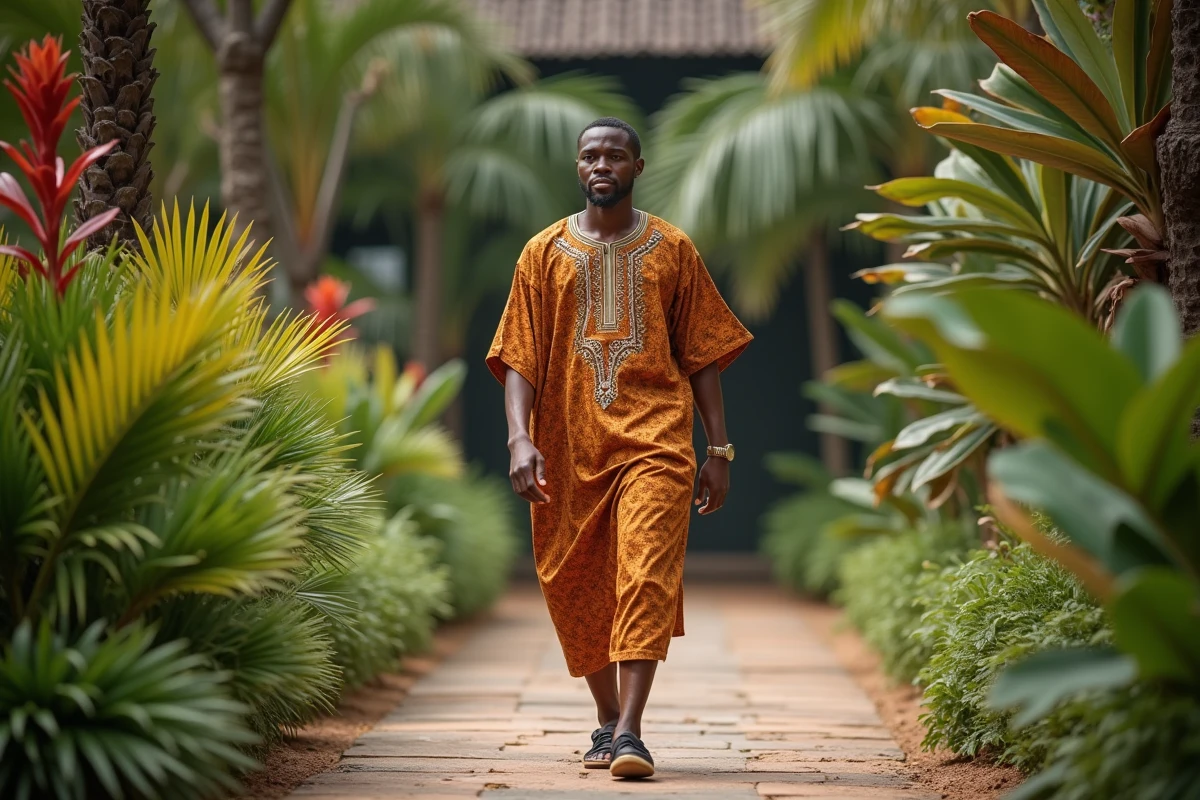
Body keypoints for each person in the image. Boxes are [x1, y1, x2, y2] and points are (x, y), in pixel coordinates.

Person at [486, 117, 752, 779]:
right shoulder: (541, 253)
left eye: (614, 155)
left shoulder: (673, 249)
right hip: (567, 444)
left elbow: (703, 356)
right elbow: (518, 356)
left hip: (658, 440)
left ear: (637, 166)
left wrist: (717, 450)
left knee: (644, 573)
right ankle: (607, 717)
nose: (600, 164)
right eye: (589, 156)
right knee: (571, 581)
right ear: (578, 169)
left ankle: (631, 732)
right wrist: (520, 438)